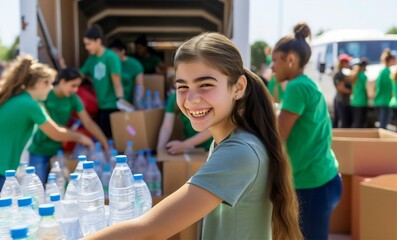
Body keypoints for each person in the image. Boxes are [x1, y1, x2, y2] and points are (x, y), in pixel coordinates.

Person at [85, 32, 301, 240]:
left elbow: (150, 230)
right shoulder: (225, 143)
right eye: (182, 87)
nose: (191, 99)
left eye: (205, 85)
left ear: (238, 87)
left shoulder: (239, 151)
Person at [0, 55, 93, 194]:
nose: (50, 89)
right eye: (50, 84)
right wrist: (81, 138)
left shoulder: (19, 99)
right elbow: (56, 133)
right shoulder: (30, 105)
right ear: (42, 83)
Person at [272, 23, 342, 239]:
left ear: (291, 59)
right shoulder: (305, 84)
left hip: (313, 186)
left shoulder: (296, 87)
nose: (272, 67)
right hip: (323, 179)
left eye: (276, 60)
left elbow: (278, 137)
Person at [28, 67, 109, 184]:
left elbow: (89, 123)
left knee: (58, 190)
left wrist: (104, 143)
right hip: (39, 151)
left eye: (78, 86)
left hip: (58, 152)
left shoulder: (73, 99)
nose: (76, 90)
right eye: (73, 85)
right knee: (37, 189)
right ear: (62, 82)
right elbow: (53, 127)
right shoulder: (46, 95)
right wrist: (80, 137)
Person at [80, 26, 131, 139]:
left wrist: (120, 101)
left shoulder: (111, 57)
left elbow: (117, 82)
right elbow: (79, 76)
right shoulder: (91, 59)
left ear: (98, 41)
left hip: (111, 106)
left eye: (89, 44)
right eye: (85, 44)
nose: (86, 47)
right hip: (99, 106)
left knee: (110, 138)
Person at [109, 39, 145, 104]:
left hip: (127, 104)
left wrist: (137, 103)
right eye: (111, 53)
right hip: (109, 103)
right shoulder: (108, 63)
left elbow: (140, 86)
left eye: (115, 52)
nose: (113, 55)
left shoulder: (135, 65)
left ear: (123, 51)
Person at [374, 48, 395, 129]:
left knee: (382, 124)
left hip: (380, 100)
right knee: (383, 125)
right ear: (390, 60)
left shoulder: (382, 71)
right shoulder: (387, 72)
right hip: (385, 101)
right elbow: (390, 88)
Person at [333, 54, 353, 128]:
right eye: (347, 62)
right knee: (343, 121)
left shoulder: (343, 73)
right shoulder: (339, 74)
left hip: (341, 100)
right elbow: (341, 88)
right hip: (341, 100)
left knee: (338, 120)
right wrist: (353, 92)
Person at [348, 58, 368, 128]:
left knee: (356, 121)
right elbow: (367, 89)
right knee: (360, 122)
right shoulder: (363, 76)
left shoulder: (355, 75)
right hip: (361, 101)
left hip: (354, 101)